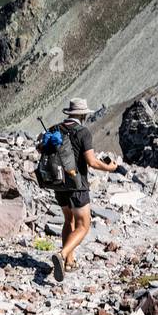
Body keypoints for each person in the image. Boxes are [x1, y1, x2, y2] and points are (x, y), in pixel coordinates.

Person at [41, 98, 118, 281]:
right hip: (77, 184)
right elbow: (91, 162)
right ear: (83, 115)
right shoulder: (83, 132)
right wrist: (110, 168)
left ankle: (69, 261)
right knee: (84, 225)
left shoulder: (54, 129)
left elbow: (42, 150)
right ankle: (61, 255)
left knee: (69, 221)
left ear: (69, 113)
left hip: (58, 183)